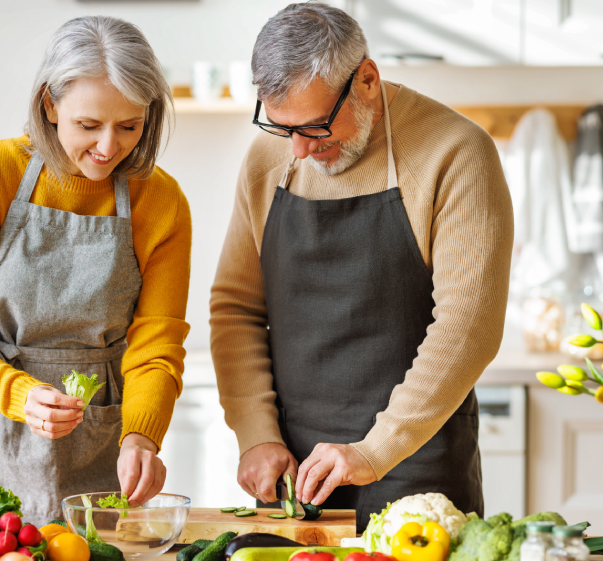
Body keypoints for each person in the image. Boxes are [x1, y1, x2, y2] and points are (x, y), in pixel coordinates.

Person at [210, 3, 514, 532]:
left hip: (419, 474)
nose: (301, 150)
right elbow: (235, 307)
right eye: (284, 129)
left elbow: (470, 325)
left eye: (316, 127)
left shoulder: (456, 153)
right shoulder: (269, 159)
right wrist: (256, 435)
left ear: (367, 79)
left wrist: (375, 450)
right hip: (296, 483)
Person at [0, 15, 191, 524]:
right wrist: (19, 393)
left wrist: (141, 435)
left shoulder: (162, 201)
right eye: (89, 125)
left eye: (129, 126)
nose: (109, 147)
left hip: (95, 451)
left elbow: (157, 343)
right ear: (49, 104)